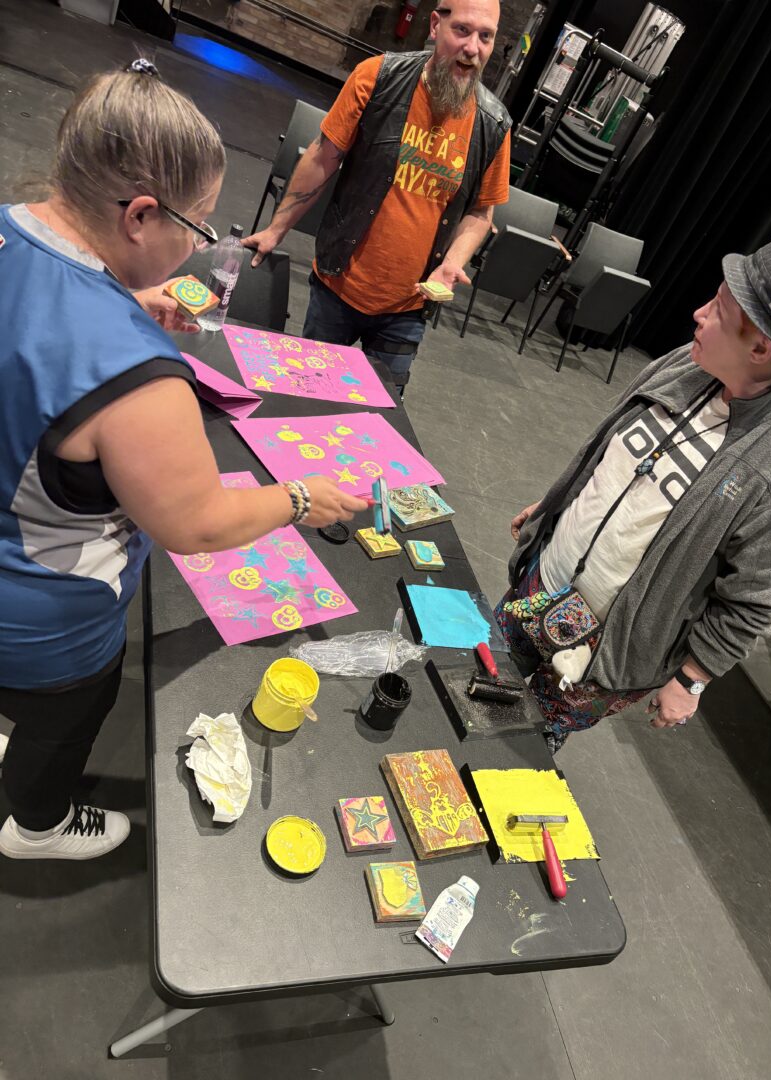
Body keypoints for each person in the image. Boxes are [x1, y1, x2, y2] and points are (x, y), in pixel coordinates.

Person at [0, 61, 367, 862]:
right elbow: (195, 525)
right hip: (43, 623)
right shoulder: (137, 373)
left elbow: (34, 328)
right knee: (65, 721)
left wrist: (119, 302)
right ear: (140, 215)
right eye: (197, 227)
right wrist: (299, 499)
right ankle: (37, 826)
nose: (197, 248)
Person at [497, 226, 771, 754]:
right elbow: (612, 454)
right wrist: (558, 506)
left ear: (760, 346)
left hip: (601, 651)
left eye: (718, 308)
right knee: (474, 675)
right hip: (542, 581)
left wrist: (692, 678)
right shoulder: (691, 360)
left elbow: (757, 599)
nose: (699, 313)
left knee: (520, 747)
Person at [242, 0, 511, 393]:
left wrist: (452, 262)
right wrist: (275, 230)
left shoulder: (494, 122)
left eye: (485, 37)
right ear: (435, 25)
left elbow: (481, 212)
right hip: (338, 288)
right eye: (462, 30)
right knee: (306, 398)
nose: (473, 48)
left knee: (379, 414)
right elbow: (322, 157)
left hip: (408, 308)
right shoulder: (378, 77)